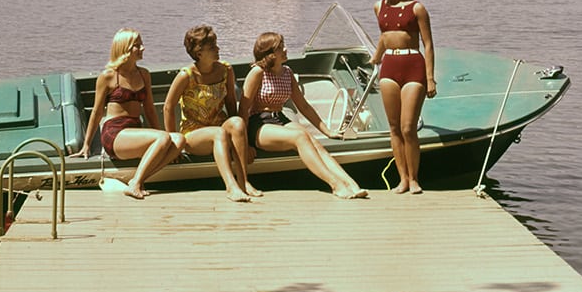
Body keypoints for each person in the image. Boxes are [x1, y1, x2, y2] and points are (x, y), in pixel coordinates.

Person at [241, 32, 369, 199]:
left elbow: (304, 106)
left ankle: (350, 184)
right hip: (258, 123)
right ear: (270, 54)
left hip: (279, 118)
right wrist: (244, 145)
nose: (285, 49)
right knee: (300, 136)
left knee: (313, 140)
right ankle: (336, 185)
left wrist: (327, 131)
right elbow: (243, 109)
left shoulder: (287, 72)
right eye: (280, 48)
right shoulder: (258, 72)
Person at [72, 28, 184, 199]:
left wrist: (166, 144)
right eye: (137, 45)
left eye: (141, 44)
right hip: (115, 133)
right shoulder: (108, 76)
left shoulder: (144, 74)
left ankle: (136, 180)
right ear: (125, 48)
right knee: (164, 138)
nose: (143, 48)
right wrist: (86, 144)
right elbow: (96, 112)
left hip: (135, 130)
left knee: (178, 139)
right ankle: (136, 183)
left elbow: (149, 109)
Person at [163, 25, 259, 202]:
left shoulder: (225, 70)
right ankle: (231, 187)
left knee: (237, 122)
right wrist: (173, 144)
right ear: (199, 53)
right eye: (212, 47)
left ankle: (244, 181)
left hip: (219, 126)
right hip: (193, 134)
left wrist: (244, 142)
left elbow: (231, 102)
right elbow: (168, 107)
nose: (218, 49)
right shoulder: (186, 75)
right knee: (219, 133)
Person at [372, 0, 436, 195]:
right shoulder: (379, 7)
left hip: (413, 66)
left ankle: (414, 178)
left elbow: (428, 45)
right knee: (394, 127)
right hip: (389, 66)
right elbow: (384, 35)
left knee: (408, 127)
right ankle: (403, 180)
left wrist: (430, 78)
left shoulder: (417, 8)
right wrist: (376, 57)